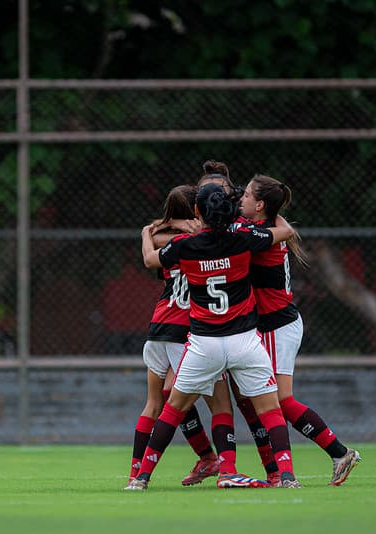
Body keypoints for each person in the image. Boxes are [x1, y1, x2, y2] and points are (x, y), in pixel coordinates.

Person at [125, 182, 302, 491]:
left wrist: (148, 232)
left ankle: (140, 478)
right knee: (269, 408)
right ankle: (286, 476)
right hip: (244, 340)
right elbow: (281, 233)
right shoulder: (243, 239)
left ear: (197, 212)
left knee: (173, 408)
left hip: (203, 343)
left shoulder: (185, 245)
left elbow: (151, 260)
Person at [239, 174, 361, 485]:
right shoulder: (273, 226)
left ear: (261, 205)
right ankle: (308, 462)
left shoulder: (263, 235)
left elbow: (236, 237)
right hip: (277, 323)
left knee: (280, 400)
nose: (241, 198)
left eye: (248, 195)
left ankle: (334, 454)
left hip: (276, 325)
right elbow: (282, 226)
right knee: (266, 400)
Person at [128, 184, 219, 487]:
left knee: (161, 400)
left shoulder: (165, 241)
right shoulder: (203, 241)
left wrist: (150, 231)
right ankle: (212, 458)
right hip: (185, 327)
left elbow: (153, 242)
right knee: (181, 401)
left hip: (162, 323)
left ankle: (137, 473)